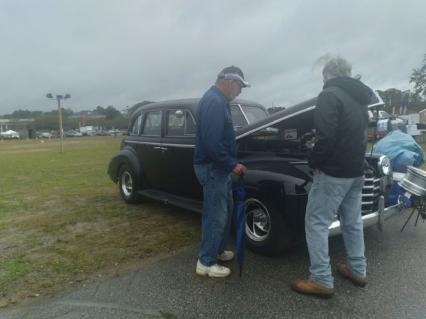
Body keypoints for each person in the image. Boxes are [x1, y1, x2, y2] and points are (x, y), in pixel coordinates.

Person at [292, 57, 373, 297]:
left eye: (323, 78)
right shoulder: (360, 98)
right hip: (355, 171)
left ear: (328, 75)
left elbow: (325, 136)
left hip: (334, 172)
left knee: (316, 223)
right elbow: (361, 135)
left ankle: (321, 280)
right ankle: (358, 269)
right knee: (352, 222)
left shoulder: (330, 95)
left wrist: (314, 162)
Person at [193, 66, 248, 278]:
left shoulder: (219, 101)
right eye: (240, 86)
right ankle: (205, 262)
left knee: (224, 211)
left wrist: (229, 163)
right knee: (215, 216)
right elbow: (211, 142)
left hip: (219, 168)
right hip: (213, 168)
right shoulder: (214, 102)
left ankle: (217, 250)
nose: (241, 91)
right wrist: (231, 164)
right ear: (229, 81)